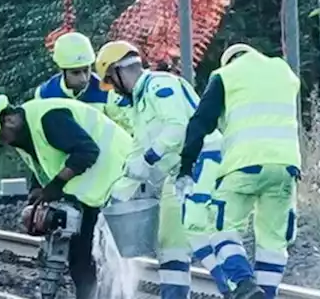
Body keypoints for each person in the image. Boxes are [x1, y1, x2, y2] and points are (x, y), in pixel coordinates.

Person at [94, 40, 231, 299]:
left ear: (118, 71)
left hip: (203, 160)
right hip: (178, 174)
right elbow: (138, 150)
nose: (113, 89)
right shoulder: (140, 103)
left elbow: (177, 129)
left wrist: (147, 159)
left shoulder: (161, 85)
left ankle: (237, 290)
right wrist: (119, 191)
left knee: (198, 234)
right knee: (170, 246)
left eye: (110, 81)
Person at [0, 93, 134, 299]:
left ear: (8, 119)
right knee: (81, 257)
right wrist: (37, 190)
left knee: (93, 257)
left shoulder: (49, 119)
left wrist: (56, 185)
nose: (4, 143)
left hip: (118, 178)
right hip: (93, 189)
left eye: (1, 137)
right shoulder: (25, 131)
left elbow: (87, 151)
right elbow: (44, 161)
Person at [176, 43, 300, 299]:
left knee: (221, 228)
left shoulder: (225, 76)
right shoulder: (283, 70)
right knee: (273, 240)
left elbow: (200, 123)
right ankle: (266, 295)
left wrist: (185, 167)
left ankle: (244, 283)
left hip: (243, 165)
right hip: (287, 167)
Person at [36, 31, 134, 132]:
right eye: (76, 73)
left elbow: (129, 132)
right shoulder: (44, 95)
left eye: (86, 70)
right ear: (61, 70)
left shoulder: (109, 93)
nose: (83, 78)